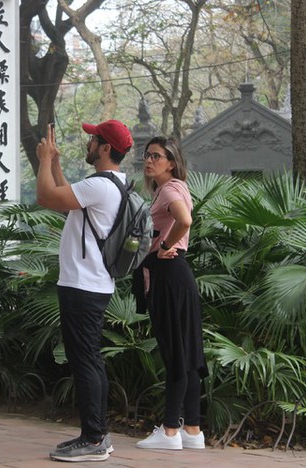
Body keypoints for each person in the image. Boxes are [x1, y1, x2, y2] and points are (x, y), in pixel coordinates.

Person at [36, 119, 133, 463]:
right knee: (89, 359)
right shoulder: (110, 185)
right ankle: (97, 435)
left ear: (105, 148)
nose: (88, 142)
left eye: (94, 139)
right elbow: (67, 201)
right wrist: (58, 164)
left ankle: (93, 438)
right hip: (92, 284)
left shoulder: (101, 186)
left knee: (85, 362)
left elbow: (47, 197)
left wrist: (45, 159)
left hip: (83, 286)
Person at [133, 135, 208, 450]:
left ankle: (170, 430)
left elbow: (185, 220)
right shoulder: (173, 189)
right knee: (185, 351)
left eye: (157, 156)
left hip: (169, 276)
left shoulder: (169, 189)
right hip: (176, 277)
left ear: (172, 162)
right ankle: (191, 429)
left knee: (175, 351)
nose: (149, 161)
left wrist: (164, 245)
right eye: (147, 155)